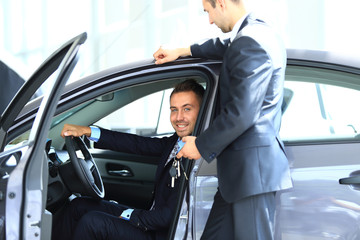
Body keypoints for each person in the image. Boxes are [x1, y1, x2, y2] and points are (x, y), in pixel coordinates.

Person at [153, 0, 292, 239]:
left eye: (208, 11)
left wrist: (200, 145)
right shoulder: (255, 34)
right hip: (240, 177)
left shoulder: (251, 41)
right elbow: (224, 46)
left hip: (251, 175)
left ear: (222, 3)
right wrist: (182, 51)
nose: (209, 20)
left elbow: (242, 112)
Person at [52, 79, 205, 240]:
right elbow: (138, 144)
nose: (178, 117)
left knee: (92, 222)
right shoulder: (176, 142)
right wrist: (88, 131)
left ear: (201, 111)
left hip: (162, 233)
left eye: (187, 109)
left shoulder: (198, 154)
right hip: (152, 219)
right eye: (174, 110)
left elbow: (167, 217)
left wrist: (130, 217)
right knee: (79, 206)